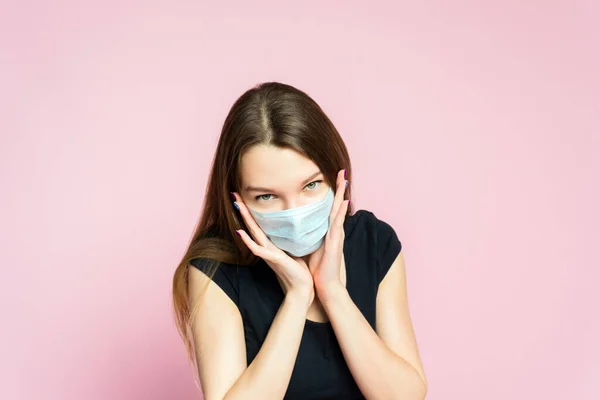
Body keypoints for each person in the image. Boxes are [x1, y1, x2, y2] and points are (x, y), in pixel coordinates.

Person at [172, 82, 427, 399]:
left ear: (337, 175)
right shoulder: (216, 270)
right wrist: (297, 296)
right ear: (236, 198)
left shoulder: (374, 244)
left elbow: (405, 396)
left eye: (311, 185)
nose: (294, 213)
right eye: (266, 196)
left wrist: (332, 291)